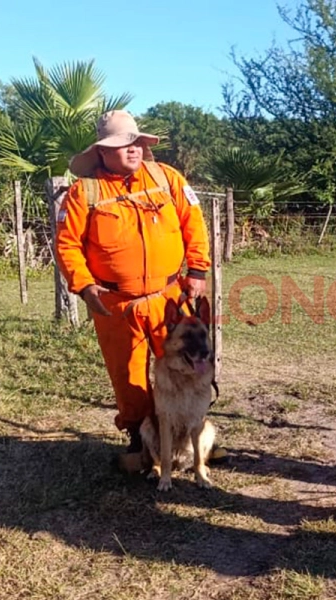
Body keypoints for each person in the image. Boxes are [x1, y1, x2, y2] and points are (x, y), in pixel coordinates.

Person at [55, 109, 213, 464]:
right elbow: (67, 244)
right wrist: (84, 286)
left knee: (188, 365)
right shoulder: (84, 193)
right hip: (115, 302)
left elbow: (193, 223)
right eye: (123, 144)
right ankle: (142, 441)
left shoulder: (166, 177)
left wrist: (198, 270)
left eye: (137, 142)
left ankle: (194, 435)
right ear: (102, 152)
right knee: (128, 376)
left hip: (170, 297)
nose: (133, 149)